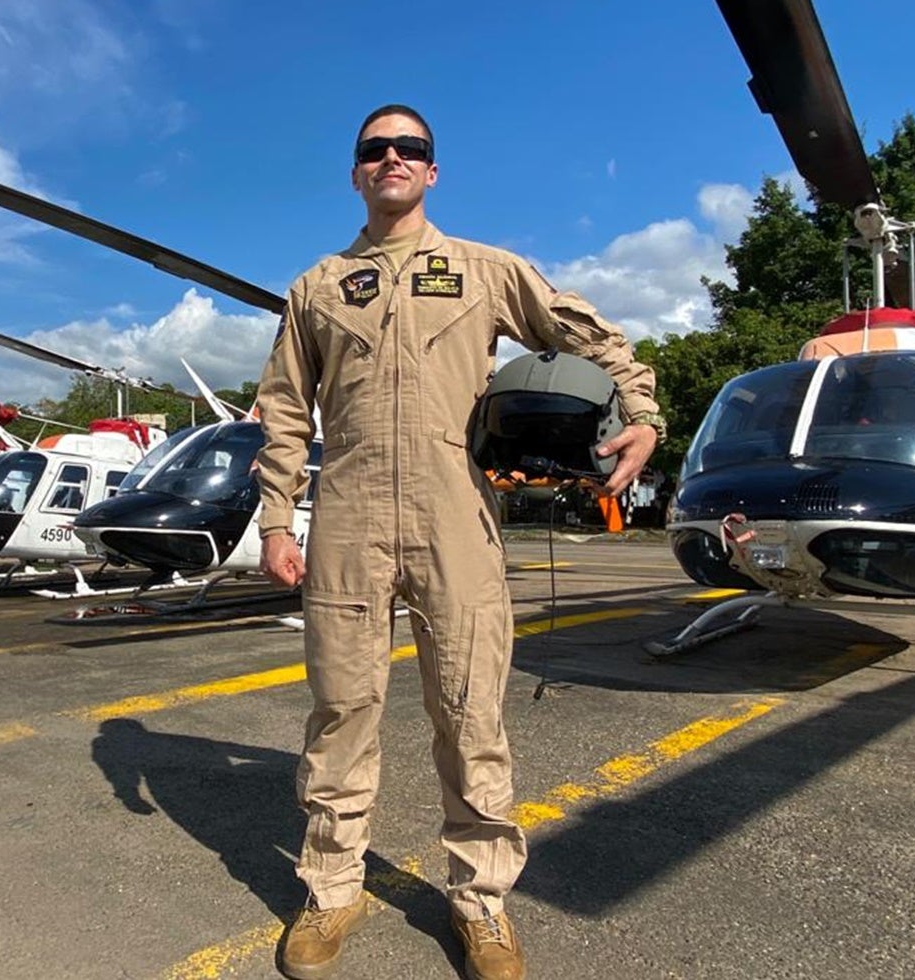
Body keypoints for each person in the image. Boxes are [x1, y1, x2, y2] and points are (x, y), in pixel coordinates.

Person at [254, 104, 664, 980]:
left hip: (455, 514)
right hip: (350, 514)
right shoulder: (317, 287)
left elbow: (588, 333)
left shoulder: (483, 271)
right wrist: (277, 520)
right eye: (375, 149)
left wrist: (643, 415)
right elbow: (285, 413)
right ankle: (331, 889)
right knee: (340, 712)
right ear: (356, 171)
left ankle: (480, 902)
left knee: (471, 712)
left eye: (411, 149)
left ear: (432, 171)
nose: (392, 158)